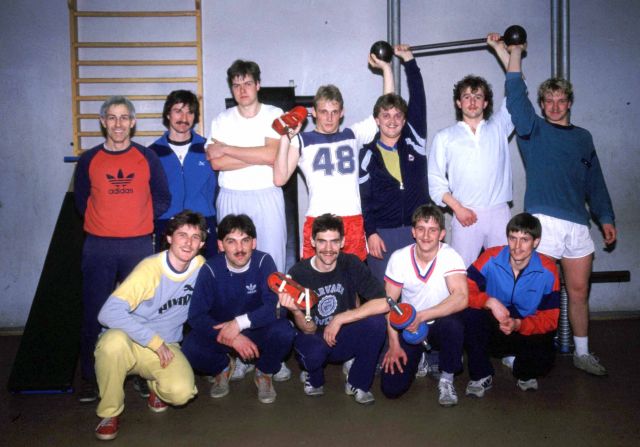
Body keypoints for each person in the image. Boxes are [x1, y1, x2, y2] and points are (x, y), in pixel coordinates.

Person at [503, 34, 617, 376]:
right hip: (544, 224)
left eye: (561, 100)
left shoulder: (583, 138)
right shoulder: (532, 129)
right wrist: (514, 53)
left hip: (578, 225)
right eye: (548, 100)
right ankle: (516, 351)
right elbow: (514, 95)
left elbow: (594, 182)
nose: (554, 105)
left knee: (579, 291)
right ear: (541, 104)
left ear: (569, 103)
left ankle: (582, 352)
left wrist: (606, 217)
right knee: (533, 291)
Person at [74, 95, 171, 402]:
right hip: (99, 247)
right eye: (111, 118)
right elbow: (81, 201)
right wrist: (107, 223)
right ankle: (91, 377)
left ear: (133, 122)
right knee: (94, 312)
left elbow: (162, 197)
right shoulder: (89, 159)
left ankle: (141, 372)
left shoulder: (147, 157)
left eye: (123, 117)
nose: (118, 124)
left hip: (138, 246)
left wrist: (138, 219)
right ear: (103, 122)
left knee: (140, 313)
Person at [92, 210, 207, 441]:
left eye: (195, 237)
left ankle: (156, 388)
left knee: (182, 392)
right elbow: (108, 313)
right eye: (182, 234)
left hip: (166, 344)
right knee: (111, 344)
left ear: (202, 243)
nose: (188, 242)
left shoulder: (200, 267)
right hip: (127, 342)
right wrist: (154, 342)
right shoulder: (150, 268)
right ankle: (109, 413)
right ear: (169, 238)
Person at [273, 52, 394, 261]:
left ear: (342, 112)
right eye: (323, 111)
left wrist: (386, 70)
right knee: (316, 283)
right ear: (313, 112)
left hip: (352, 219)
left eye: (334, 112)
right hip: (318, 220)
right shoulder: (301, 140)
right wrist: (285, 136)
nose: (329, 118)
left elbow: (387, 107)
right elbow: (279, 178)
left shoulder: (352, 135)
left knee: (353, 283)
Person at [182, 214, 296, 404]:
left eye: (245, 240)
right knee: (190, 348)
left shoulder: (264, 262)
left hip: (256, 328)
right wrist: (233, 336)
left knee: (284, 331)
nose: (239, 248)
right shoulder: (210, 269)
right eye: (231, 242)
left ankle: (264, 371)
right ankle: (224, 367)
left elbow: (273, 308)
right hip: (224, 332)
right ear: (220, 245)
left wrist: (239, 323)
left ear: (254, 243)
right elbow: (196, 316)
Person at [278, 213, 388, 405]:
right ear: (312, 241)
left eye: (334, 242)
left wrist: (341, 318)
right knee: (313, 353)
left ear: (342, 242)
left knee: (376, 323)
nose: (328, 249)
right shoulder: (299, 273)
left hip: (342, 334)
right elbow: (308, 328)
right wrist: (295, 310)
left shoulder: (351, 263)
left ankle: (358, 383)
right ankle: (314, 376)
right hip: (314, 337)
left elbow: (385, 302)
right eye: (322, 242)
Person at [428, 34, 515, 268]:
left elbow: (518, 89)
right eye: (467, 97)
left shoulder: (499, 126)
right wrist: (458, 209)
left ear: (486, 103)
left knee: (503, 274)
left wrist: (500, 49)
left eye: (478, 97)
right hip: (464, 213)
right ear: (458, 102)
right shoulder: (444, 137)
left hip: (499, 212)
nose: (473, 102)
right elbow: (435, 182)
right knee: (460, 276)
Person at [463, 213, 560, 397]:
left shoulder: (548, 270)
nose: (517, 246)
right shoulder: (491, 257)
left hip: (523, 327)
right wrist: (488, 301)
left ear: (536, 242)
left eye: (524, 240)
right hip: (493, 325)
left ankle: (522, 369)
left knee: (546, 355)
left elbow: (550, 319)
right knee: (470, 315)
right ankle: (481, 375)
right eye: (513, 238)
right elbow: (463, 290)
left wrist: (519, 325)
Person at [381, 204, 468, 407]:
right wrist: (393, 344)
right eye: (421, 228)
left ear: (442, 234)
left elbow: (462, 297)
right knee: (391, 389)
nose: (426, 235)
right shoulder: (399, 258)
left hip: (439, 326)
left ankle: (446, 377)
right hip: (410, 328)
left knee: (453, 324)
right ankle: (421, 356)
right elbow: (389, 305)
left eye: (433, 230)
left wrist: (422, 315)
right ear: (413, 232)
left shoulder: (450, 256)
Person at [205, 60, 286, 272]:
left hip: (266, 195)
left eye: (248, 83)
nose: (242, 90)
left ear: (258, 85)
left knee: (272, 258)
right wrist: (257, 154)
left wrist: (227, 148)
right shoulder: (221, 119)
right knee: (231, 260)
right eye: (236, 85)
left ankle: (275, 305)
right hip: (231, 195)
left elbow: (271, 155)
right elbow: (216, 162)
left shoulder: (274, 114)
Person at [359, 44, 429, 281]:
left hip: (416, 232)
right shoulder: (367, 155)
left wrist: (409, 62)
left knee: (417, 295)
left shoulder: (415, 143)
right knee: (383, 299)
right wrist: (371, 234)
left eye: (398, 115)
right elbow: (364, 201)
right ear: (377, 120)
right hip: (383, 237)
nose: (392, 120)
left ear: (404, 119)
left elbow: (418, 98)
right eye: (386, 116)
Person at [150, 90, 217, 258]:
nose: (184, 118)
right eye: (178, 111)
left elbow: (218, 188)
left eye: (190, 112)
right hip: (166, 223)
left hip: (203, 222)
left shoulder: (209, 148)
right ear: (167, 114)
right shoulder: (152, 153)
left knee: (205, 277)